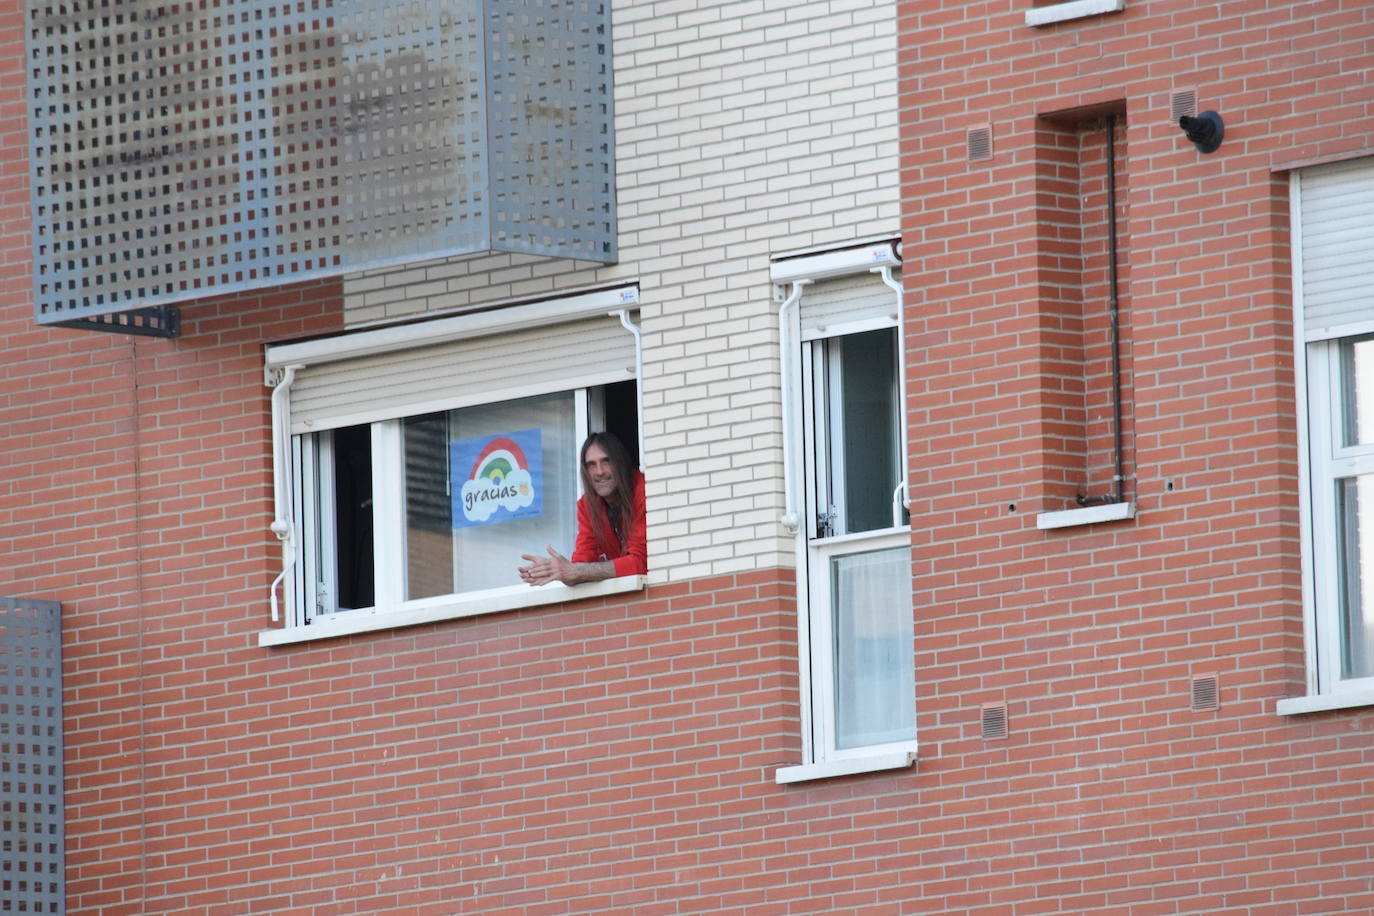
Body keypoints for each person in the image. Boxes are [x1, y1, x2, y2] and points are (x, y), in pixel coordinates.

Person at [518, 431, 646, 586]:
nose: (599, 472)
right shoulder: (588, 506)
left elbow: (641, 564)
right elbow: (582, 560)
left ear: (621, 463)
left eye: (606, 461)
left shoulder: (644, 490)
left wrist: (574, 571)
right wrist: (559, 571)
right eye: (591, 465)